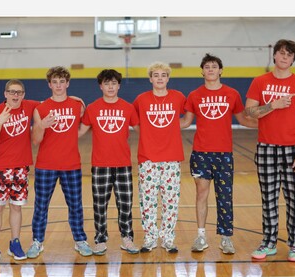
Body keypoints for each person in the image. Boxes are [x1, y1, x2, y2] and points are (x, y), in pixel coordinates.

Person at [181, 53, 257, 255]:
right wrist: (159, 126)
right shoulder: (195, 95)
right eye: (207, 67)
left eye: (214, 66)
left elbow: (244, 120)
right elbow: (185, 122)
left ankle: (226, 238)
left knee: (225, 196)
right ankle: (201, 236)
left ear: (221, 70)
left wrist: (270, 126)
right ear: (202, 71)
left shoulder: (232, 94)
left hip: (224, 154)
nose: (211, 69)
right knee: (201, 194)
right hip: (201, 153)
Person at [244, 39, 295, 262]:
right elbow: (249, 112)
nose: (285, 57)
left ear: (294, 59)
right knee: (269, 198)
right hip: (266, 148)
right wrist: (272, 105)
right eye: (281, 53)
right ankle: (269, 242)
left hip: (292, 149)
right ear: (274, 56)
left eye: (289, 54)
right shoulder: (260, 81)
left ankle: (294, 245)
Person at [26, 66, 93, 258]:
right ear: (49, 84)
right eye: (54, 82)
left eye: (62, 81)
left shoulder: (77, 105)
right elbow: (36, 140)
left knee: (75, 205)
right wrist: (42, 125)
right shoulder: (40, 108)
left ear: (68, 83)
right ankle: (37, 241)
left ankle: (80, 240)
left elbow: (83, 128)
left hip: (71, 164)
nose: (58, 85)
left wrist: (73, 137)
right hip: (46, 165)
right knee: (41, 205)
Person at [78, 69, 140, 255]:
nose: (110, 87)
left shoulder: (128, 108)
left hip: (123, 164)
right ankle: (100, 239)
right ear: (100, 86)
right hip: (100, 165)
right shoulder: (93, 108)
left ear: (119, 85)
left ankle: (127, 238)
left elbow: (143, 131)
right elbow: (80, 132)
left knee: (125, 204)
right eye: (107, 83)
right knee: (99, 205)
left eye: (113, 83)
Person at [0, 79, 40, 266]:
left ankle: (14, 243)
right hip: (0, 168)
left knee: (16, 207)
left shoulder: (30, 106)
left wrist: (76, 98)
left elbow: (52, 101)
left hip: (21, 167)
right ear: (5, 93)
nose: (16, 95)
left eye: (19, 92)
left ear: (23, 94)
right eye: (12, 92)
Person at [133, 62, 186, 253]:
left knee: (170, 201)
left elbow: (187, 118)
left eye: (163, 75)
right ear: (150, 79)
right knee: (148, 200)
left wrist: (172, 129)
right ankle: (150, 237)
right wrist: (148, 134)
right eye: (156, 75)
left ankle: (168, 238)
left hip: (171, 158)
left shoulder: (178, 97)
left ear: (168, 78)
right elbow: (135, 122)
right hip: (148, 158)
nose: (160, 78)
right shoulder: (141, 99)